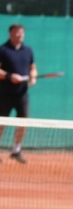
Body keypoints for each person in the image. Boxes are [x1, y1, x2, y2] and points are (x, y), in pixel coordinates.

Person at [0, 23, 37, 163]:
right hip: (4, 94)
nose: (20, 35)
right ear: (10, 33)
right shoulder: (2, 50)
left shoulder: (28, 50)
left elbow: (33, 68)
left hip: (22, 94)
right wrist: (10, 76)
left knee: (23, 123)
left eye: (22, 32)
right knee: (0, 123)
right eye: (17, 32)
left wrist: (33, 77)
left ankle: (16, 150)